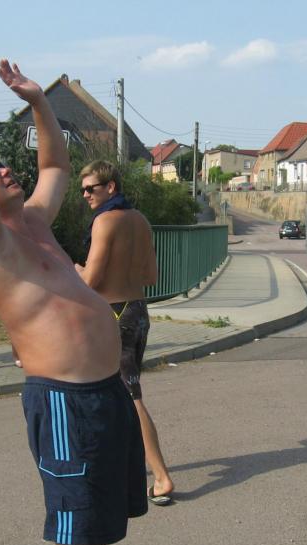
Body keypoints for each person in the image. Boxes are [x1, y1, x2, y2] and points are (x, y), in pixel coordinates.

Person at [0, 57, 146, 545]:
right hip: (65, 403)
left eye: (3, 165)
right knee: (75, 542)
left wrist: (37, 100)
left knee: (96, 536)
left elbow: (55, 166)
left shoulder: (33, 221)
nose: (3, 170)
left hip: (105, 393)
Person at [76, 160, 175, 506]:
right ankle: (117, 464)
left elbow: (91, 280)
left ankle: (161, 477)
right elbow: (151, 275)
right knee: (117, 395)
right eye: (83, 189)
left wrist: (75, 269)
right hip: (137, 310)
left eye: (91, 188)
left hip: (112, 315)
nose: (85, 195)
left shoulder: (105, 221)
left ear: (111, 187)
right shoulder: (141, 221)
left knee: (130, 398)